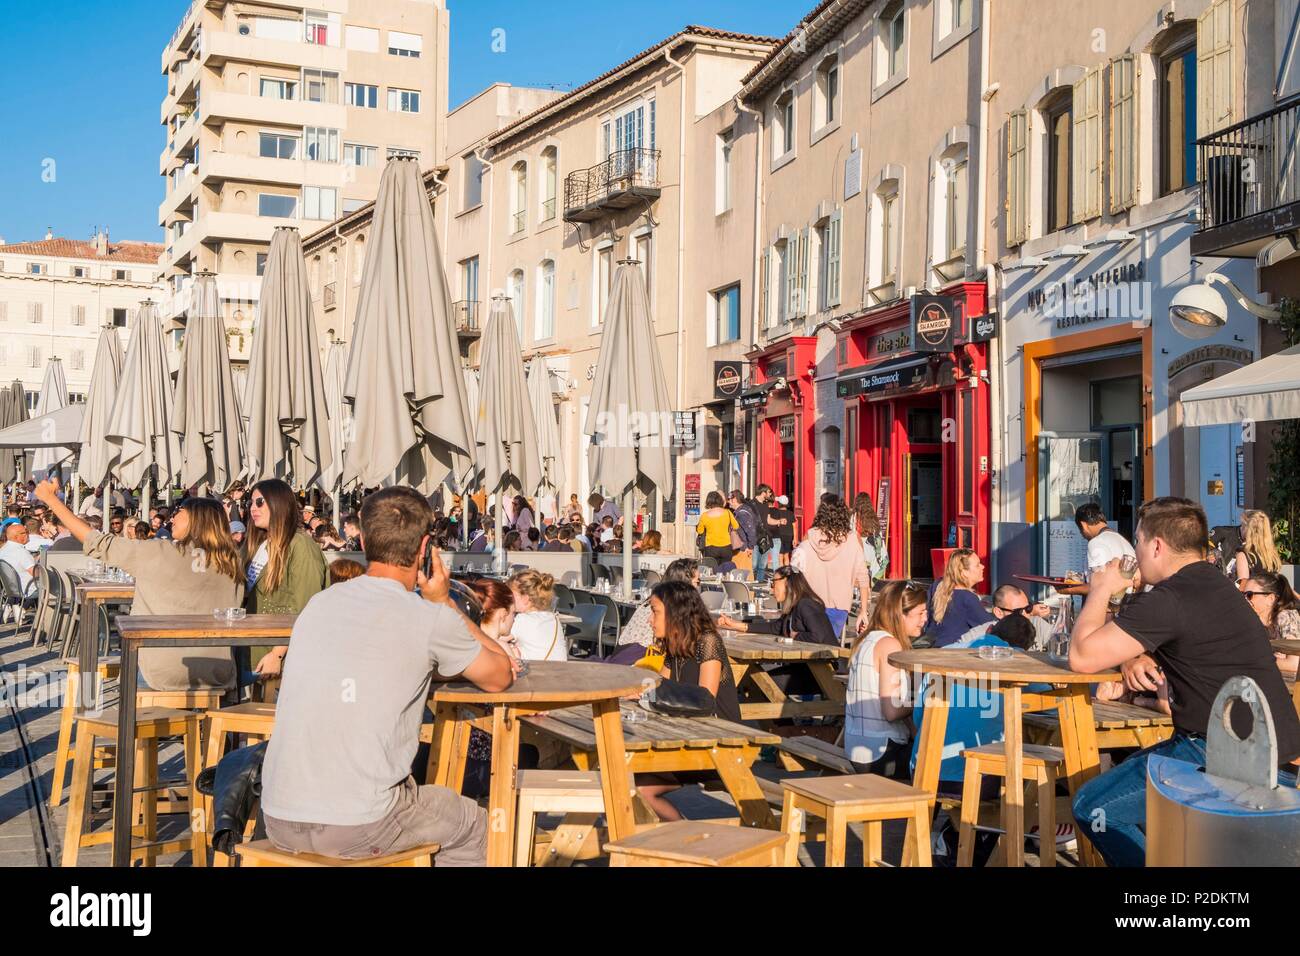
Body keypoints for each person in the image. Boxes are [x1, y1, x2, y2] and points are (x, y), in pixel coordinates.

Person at [260, 487, 516, 867]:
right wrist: (444, 602)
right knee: (484, 828)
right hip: (363, 820)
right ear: (426, 546)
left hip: (278, 814)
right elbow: (501, 675)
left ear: (362, 540)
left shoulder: (320, 604)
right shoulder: (427, 617)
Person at [1069, 497, 1300, 868]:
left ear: (1157, 546)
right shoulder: (1219, 587)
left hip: (1221, 755)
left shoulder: (1172, 597)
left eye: (1139, 542)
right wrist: (1139, 655)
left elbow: (1081, 657)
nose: (1136, 551)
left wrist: (1100, 587)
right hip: (1277, 755)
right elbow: (1197, 642)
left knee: (1095, 807)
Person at [35, 477, 243, 691]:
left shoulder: (158, 552)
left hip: (161, 671)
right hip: (220, 671)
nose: (172, 518)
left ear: (195, 519)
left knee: (122, 674)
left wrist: (52, 500)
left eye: (178, 512)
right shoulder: (233, 562)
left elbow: (96, 542)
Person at [636, 581, 741, 820]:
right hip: (688, 738)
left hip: (720, 745)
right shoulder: (676, 646)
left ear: (676, 613)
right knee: (624, 780)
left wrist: (649, 692)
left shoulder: (708, 641)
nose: (649, 620)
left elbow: (706, 698)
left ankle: (683, 841)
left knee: (641, 789)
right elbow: (657, 685)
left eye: (655, 611)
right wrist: (637, 691)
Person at [243, 479, 329, 678]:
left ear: (278, 504)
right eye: (251, 503)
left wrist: (278, 653)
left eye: (259, 502)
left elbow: (306, 606)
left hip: (285, 658)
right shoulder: (257, 545)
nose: (252, 508)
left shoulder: (301, 546)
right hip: (253, 648)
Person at [844, 580, 924, 778]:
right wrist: (923, 703)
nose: (925, 619)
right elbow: (891, 710)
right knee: (943, 764)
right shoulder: (889, 645)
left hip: (858, 746)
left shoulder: (867, 639)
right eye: (920, 613)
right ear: (899, 615)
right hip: (879, 752)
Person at [790, 498, 871, 640]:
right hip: (839, 606)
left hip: (809, 603)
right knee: (827, 646)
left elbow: (797, 569)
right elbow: (863, 577)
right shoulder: (852, 539)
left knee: (803, 647)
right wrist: (863, 610)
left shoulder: (810, 535)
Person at [719, 566, 837, 645]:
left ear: (787, 582)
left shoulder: (806, 604)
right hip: (809, 667)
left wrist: (795, 636)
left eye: (774, 583)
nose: (772, 588)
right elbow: (774, 628)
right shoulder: (794, 607)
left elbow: (819, 636)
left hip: (827, 670)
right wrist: (735, 625)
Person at [926, 549, 994, 648]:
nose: (982, 567)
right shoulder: (967, 598)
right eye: (977, 565)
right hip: (953, 653)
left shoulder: (937, 586)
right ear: (964, 572)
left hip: (931, 648)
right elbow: (990, 626)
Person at [953, 584, 1053, 650]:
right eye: (1018, 611)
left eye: (1028, 608)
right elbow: (950, 652)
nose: (1025, 615)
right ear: (998, 612)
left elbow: (1061, 646)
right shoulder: (982, 633)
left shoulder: (1037, 624)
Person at [1065, 503, 1136, 595]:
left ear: (1084, 525)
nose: (1082, 536)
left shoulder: (1096, 542)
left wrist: (1067, 590)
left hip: (1108, 606)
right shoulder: (1124, 541)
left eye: (1080, 531)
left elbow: (1100, 586)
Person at [1241, 571, 1300, 676]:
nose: (1244, 600)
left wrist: (1257, 659)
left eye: (1249, 595)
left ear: (1270, 599)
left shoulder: (1286, 617)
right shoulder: (1252, 620)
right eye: (1243, 595)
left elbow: (1294, 665)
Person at [509, 570, 568, 662]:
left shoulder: (522, 620)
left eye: (511, 596)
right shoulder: (553, 618)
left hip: (538, 673)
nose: (507, 599)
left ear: (525, 599)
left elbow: (494, 637)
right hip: (560, 671)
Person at [1235, 509, 1283, 582]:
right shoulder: (1272, 554)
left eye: (1242, 525)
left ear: (1248, 529)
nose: (1240, 528)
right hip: (1272, 592)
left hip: (1255, 592)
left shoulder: (1243, 554)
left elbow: (1243, 587)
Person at [851, 492, 887, 583]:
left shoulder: (853, 517)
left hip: (858, 548)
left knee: (859, 576)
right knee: (868, 576)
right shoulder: (874, 518)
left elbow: (851, 532)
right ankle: (869, 589)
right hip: (871, 550)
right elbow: (878, 535)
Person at [696, 491, 738, 566]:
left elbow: (700, 531)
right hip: (726, 547)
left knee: (712, 571)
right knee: (725, 570)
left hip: (711, 548)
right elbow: (736, 526)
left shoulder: (704, 516)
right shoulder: (727, 512)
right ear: (720, 500)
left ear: (708, 501)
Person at [750, 484, 779, 582]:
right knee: (754, 565)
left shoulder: (766, 505)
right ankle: (753, 585)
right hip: (754, 539)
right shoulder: (751, 504)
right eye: (768, 492)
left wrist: (778, 521)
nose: (770, 494)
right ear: (763, 493)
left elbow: (768, 520)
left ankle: (759, 586)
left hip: (765, 538)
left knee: (762, 565)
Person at [0, 520, 36, 595]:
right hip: (28, 591)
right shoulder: (21, 552)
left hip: (10, 592)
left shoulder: (3, 550)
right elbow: (37, 574)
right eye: (25, 532)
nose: (28, 534)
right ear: (16, 537)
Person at [727, 489, 759, 572]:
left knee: (743, 573)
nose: (728, 502)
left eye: (729, 499)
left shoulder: (742, 513)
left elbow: (751, 531)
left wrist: (750, 547)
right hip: (741, 548)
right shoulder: (741, 511)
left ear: (734, 500)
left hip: (743, 549)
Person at [770, 495, 795, 567]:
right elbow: (794, 526)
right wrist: (795, 538)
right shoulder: (791, 513)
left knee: (780, 557)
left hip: (779, 535)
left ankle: (781, 573)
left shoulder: (776, 512)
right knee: (786, 556)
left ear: (778, 504)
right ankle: (786, 573)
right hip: (789, 536)